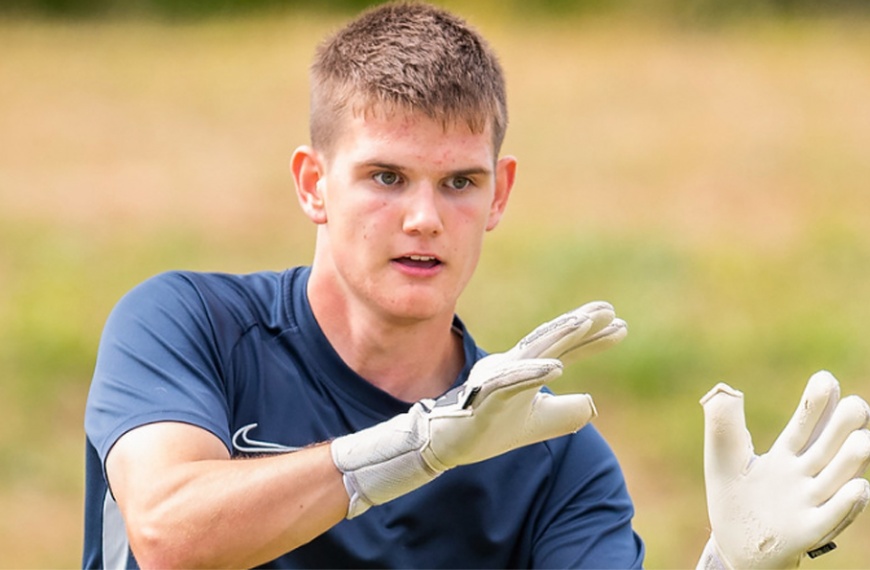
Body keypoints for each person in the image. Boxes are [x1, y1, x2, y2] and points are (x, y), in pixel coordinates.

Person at [82, 3, 870, 569]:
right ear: (312, 183)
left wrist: (732, 566)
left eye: (460, 182)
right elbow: (168, 535)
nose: (424, 217)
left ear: (499, 194)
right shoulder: (188, 323)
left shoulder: (553, 455)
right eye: (385, 176)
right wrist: (418, 447)